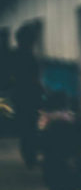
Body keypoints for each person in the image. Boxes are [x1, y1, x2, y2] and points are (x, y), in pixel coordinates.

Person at [10, 24, 44, 167]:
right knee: (30, 126)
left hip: (19, 95)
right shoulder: (28, 56)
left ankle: (29, 155)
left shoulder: (15, 55)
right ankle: (30, 156)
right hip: (29, 96)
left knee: (26, 126)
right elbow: (32, 78)